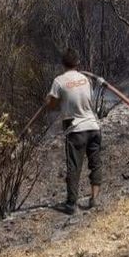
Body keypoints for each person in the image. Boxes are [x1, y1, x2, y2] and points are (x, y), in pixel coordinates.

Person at [45, 49, 102, 215]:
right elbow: (89, 100)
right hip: (93, 126)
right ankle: (94, 198)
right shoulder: (85, 79)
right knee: (95, 163)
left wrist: (48, 102)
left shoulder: (59, 81)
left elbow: (52, 106)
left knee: (74, 167)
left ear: (63, 64)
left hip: (76, 129)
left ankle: (71, 204)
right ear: (77, 63)